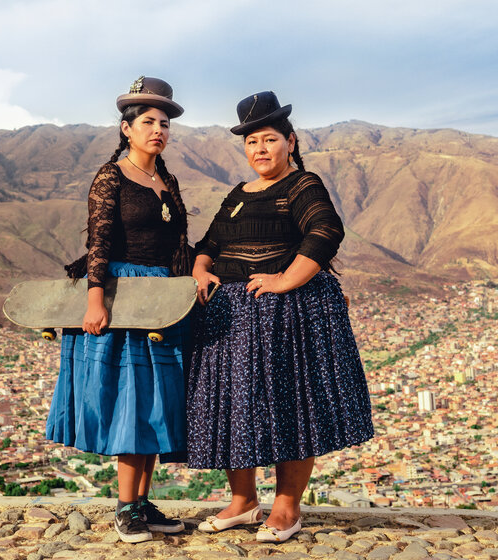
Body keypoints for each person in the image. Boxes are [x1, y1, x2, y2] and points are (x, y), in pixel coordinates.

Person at [187, 91, 374, 543]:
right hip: (230, 319)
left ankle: (287, 507)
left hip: (287, 320)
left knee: (292, 407)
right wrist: (199, 269)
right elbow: (208, 245)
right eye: (252, 143)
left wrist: (286, 280)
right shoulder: (238, 194)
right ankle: (244, 502)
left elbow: (326, 230)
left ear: (290, 141)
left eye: (269, 140)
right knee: (238, 406)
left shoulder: (302, 186)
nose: (260, 150)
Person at [45, 76, 193, 543]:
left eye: (164, 123)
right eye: (147, 121)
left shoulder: (164, 180)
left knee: (154, 404)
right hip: (121, 299)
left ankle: (144, 503)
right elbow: (99, 241)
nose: (158, 130)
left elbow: (177, 245)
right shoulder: (111, 177)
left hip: (160, 302)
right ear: (126, 128)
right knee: (132, 401)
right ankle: (125, 508)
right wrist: (95, 300)